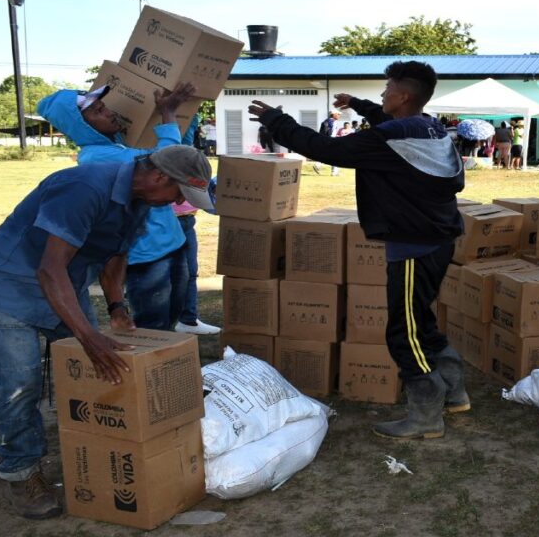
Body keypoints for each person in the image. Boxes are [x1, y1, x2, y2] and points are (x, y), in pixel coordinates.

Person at [0, 145, 213, 519]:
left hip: (65, 286)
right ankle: (21, 475)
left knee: (98, 371)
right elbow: (49, 269)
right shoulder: (85, 187)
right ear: (159, 177)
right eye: (180, 194)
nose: (180, 203)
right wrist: (88, 335)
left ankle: (100, 452)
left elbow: (116, 257)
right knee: (21, 386)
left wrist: (117, 307)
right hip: (12, 285)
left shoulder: (139, 201)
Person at [248, 60, 469, 440]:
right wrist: (361, 105)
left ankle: (426, 414)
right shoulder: (429, 126)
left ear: (401, 97)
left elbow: (323, 148)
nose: (381, 95)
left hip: (414, 246)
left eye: (386, 91)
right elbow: (390, 122)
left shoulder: (389, 142)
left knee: (404, 332)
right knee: (421, 321)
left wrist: (277, 121)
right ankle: (455, 392)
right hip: (437, 238)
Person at [37, 82, 199, 331]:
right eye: (98, 111)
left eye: (104, 107)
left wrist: (190, 111)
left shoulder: (123, 145)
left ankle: (166, 361)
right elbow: (168, 161)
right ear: (80, 125)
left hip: (172, 243)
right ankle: (149, 367)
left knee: (171, 317)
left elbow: (183, 151)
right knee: (153, 326)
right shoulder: (95, 157)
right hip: (147, 254)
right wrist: (168, 113)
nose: (109, 112)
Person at [173, 198, 221, 335]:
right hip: (166, 220)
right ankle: (159, 326)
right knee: (166, 275)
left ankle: (188, 320)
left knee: (191, 272)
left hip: (187, 219)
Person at [314, 111, 342, 175]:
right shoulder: (330, 121)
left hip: (330, 140)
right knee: (336, 156)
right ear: (333, 114)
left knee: (330, 155)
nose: (339, 116)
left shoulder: (331, 121)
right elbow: (327, 132)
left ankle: (318, 165)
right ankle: (334, 172)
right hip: (330, 141)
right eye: (338, 114)